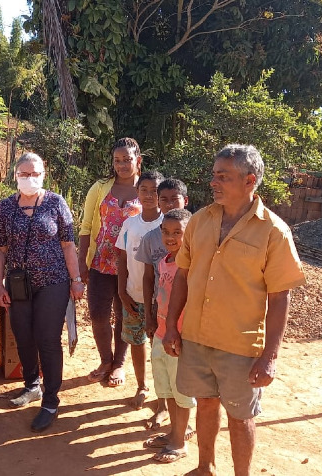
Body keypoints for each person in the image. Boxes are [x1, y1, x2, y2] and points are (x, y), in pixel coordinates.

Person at [162, 144, 306, 476]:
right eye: (214, 175)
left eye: (223, 176)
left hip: (240, 346)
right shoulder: (199, 221)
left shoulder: (273, 232)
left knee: (241, 417)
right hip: (196, 337)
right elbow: (182, 276)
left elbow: (279, 297)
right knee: (206, 404)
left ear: (249, 180)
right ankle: (205, 467)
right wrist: (172, 325)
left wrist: (270, 355)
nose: (214, 182)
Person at [0, 152, 84, 432]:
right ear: (15, 175)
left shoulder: (56, 203)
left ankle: (51, 401)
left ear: (44, 174)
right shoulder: (6, 208)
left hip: (54, 282)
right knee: (23, 336)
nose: (29, 178)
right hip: (19, 284)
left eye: (35, 173)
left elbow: (68, 245)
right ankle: (31, 385)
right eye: (24, 174)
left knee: (47, 339)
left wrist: (76, 279)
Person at [79, 137, 142, 386]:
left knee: (125, 314)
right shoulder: (100, 187)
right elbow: (85, 227)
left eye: (127, 159)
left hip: (133, 266)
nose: (122, 165)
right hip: (101, 263)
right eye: (117, 160)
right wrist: (83, 262)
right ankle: (106, 360)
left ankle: (119, 364)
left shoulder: (148, 189)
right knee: (98, 314)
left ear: (138, 160)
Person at [142, 208, 196, 464]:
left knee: (181, 391)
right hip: (161, 335)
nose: (170, 237)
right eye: (166, 232)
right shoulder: (164, 260)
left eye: (178, 232)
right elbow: (158, 296)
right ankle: (174, 432)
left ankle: (179, 441)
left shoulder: (192, 266)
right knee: (168, 390)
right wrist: (153, 321)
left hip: (180, 340)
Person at [135, 177, 189, 427]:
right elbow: (149, 280)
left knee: (181, 373)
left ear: (185, 201)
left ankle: (183, 422)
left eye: (173, 199)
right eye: (163, 199)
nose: (167, 204)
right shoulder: (151, 239)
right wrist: (148, 315)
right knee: (161, 369)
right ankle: (162, 408)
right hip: (161, 314)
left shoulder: (194, 239)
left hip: (183, 322)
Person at [115, 170, 164, 407]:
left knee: (161, 348)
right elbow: (121, 259)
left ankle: (164, 396)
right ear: (137, 193)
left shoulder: (168, 223)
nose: (149, 195)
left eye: (154, 191)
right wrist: (122, 292)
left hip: (161, 300)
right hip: (133, 295)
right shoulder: (129, 224)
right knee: (137, 341)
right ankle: (142, 386)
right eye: (143, 190)